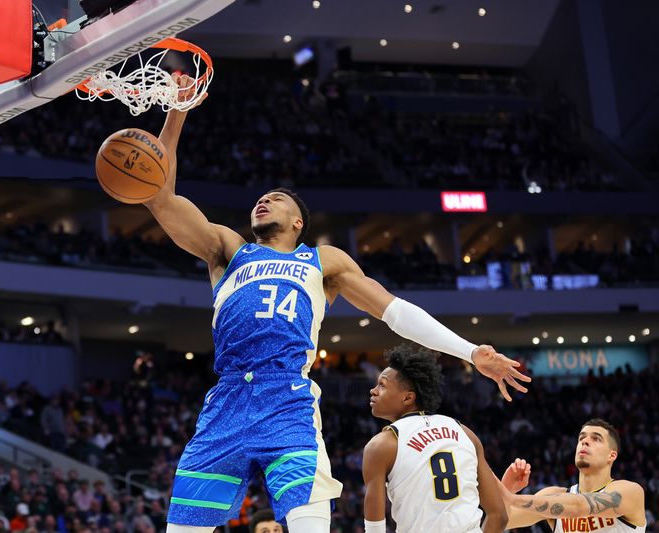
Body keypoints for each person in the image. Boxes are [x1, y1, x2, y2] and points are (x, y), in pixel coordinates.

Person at [147, 75, 530, 533]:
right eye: (261, 198)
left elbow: (393, 310)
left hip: (286, 400)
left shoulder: (321, 261)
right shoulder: (227, 250)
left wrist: (471, 352)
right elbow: (160, 197)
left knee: (310, 524)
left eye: (278, 199)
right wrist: (176, 113)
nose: (264, 200)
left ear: (298, 222)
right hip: (225, 402)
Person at [362, 345, 507, 533]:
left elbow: (375, 530)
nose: (373, 391)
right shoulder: (465, 432)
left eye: (382, 385)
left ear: (408, 398)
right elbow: (499, 516)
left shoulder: (382, 445)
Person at [497, 418, 646, 532]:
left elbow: (578, 506)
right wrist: (507, 490)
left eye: (596, 439)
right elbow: (502, 522)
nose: (585, 442)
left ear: (611, 455)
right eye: (582, 438)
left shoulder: (630, 492)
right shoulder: (553, 495)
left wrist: (512, 498)